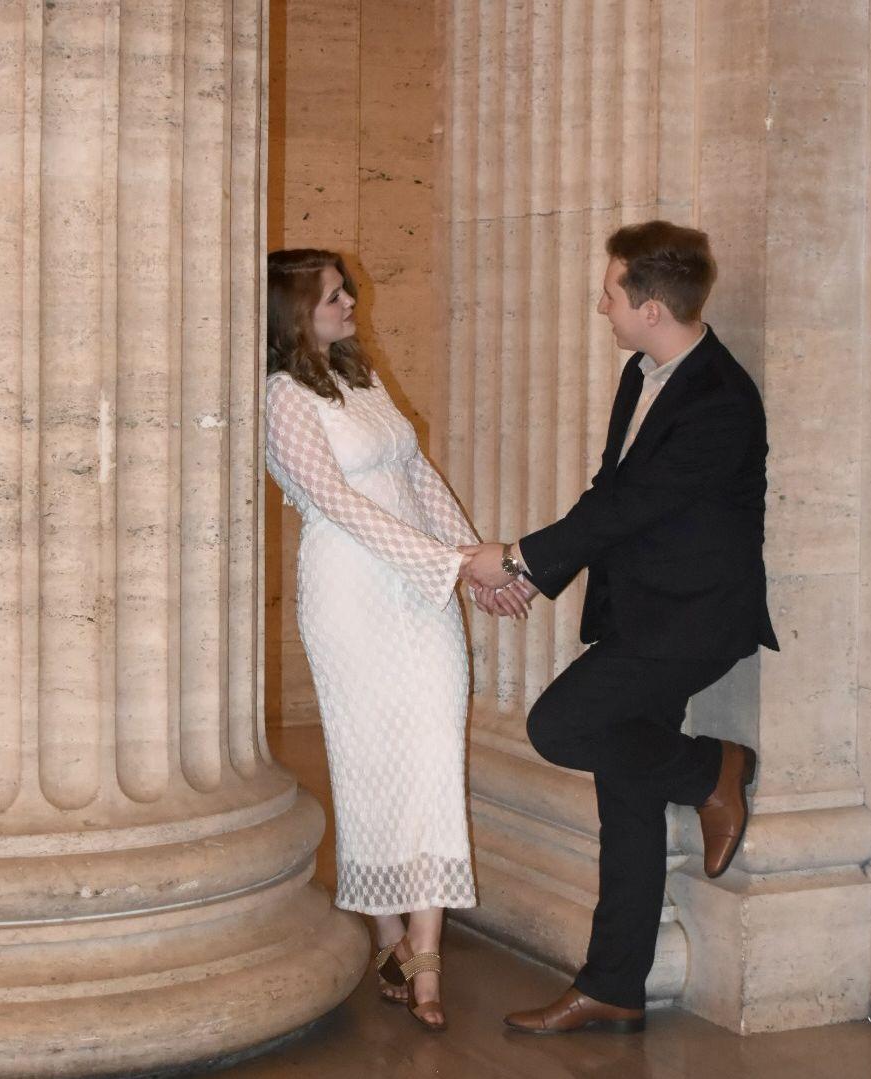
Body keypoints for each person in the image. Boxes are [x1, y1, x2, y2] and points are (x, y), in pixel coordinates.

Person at [460, 220, 779, 1034]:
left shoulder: (719, 400)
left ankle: (713, 769)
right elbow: (611, 496)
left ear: (650, 307)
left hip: (691, 619)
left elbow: (635, 505)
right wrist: (533, 575)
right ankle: (614, 984)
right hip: (642, 611)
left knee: (559, 724)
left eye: (610, 293)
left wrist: (517, 556)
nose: (601, 305)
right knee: (627, 792)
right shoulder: (646, 372)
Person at [263, 249, 527, 1033]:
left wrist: (472, 565)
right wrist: (450, 564)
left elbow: (418, 475)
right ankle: (391, 937)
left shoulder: (361, 375)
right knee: (369, 759)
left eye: (344, 290)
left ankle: (428, 944)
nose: (351, 302)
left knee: (436, 750)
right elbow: (337, 502)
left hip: (421, 588)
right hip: (351, 592)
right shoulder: (281, 394)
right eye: (333, 296)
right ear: (293, 313)